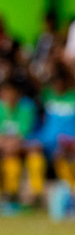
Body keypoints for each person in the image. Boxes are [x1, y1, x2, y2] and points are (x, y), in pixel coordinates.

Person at [36, 67, 75, 189]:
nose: (58, 86)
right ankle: (69, 190)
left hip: (70, 142)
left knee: (73, 159)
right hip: (50, 142)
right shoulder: (48, 96)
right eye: (55, 83)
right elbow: (36, 82)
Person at [0, 78, 40, 207]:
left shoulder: (26, 109)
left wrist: (11, 145)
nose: (8, 97)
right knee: (9, 161)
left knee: (35, 158)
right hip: (5, 149)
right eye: (5, 93)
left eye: (11, 93)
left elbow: (24, 134)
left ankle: (35, 196)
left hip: (22, 148)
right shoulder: (1, 109)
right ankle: (8, 197)